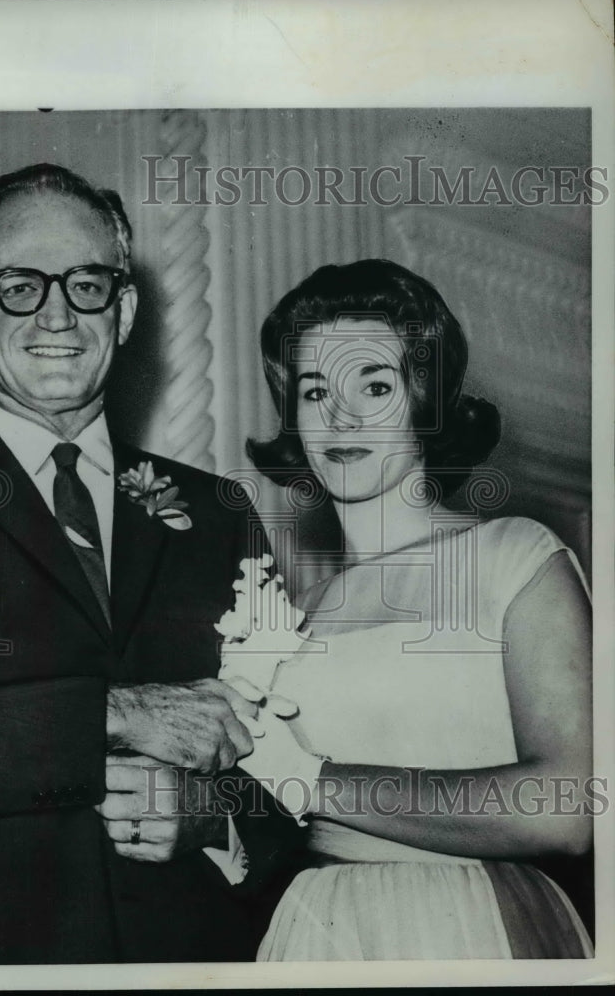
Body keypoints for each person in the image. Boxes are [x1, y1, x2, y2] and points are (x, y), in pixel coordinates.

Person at [0, 163, 302, 965]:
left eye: (86, 284)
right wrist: (110, 713)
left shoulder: (218, 512)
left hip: (195, 959)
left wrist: (214, 816)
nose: (56, 314)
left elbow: (299, 755)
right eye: (18, 285)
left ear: (125, 309)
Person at [244, 258, 594, 960]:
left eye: (374, 385)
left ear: (425, 398)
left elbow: (567, 807)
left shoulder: (515, 556)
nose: (341, 415)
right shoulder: (289, 613)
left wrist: (315, 781)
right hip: (318, 932)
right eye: (316, 391)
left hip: (471, 922)